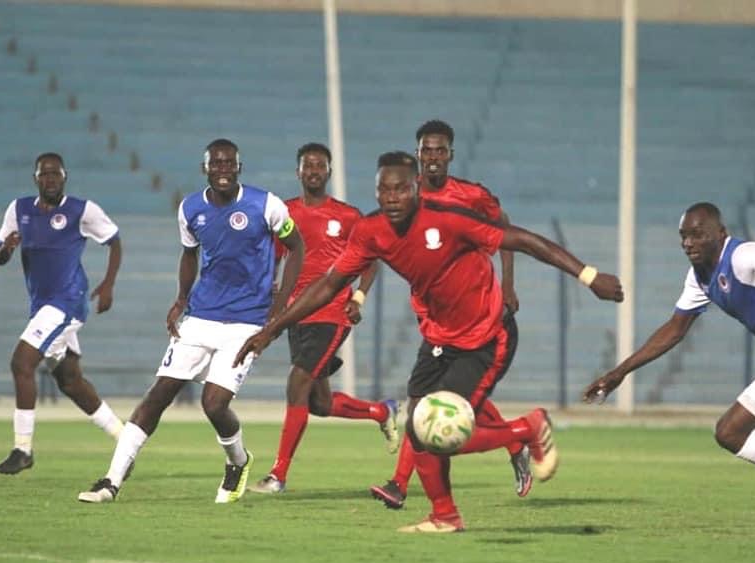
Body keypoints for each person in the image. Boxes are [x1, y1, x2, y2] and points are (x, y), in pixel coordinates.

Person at [236, 151, 624, 532]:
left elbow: (522, 239)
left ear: (416, 188)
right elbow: (328, 286)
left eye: (401, 189)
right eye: (384, 190)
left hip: (485, 335)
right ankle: (445, 516)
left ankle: (526, 429)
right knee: (419, 431)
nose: (392, 198)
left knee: (437, 433)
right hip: (437, 338)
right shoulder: (371, 231)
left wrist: (588, 276)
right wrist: (271, 330)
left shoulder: (450, 220)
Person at [77, 138, 305, 505]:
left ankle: (238, 461)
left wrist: (277, 309)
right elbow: (189, 255)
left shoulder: (266, 205)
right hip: (200, 316)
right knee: (158, 394)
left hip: (246, 321)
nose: (223, 169)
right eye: (216, 164)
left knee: (214, 404)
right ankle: (111, 481)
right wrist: (181, 299)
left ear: (239, 167)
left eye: (229, 163)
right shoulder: (190, 209)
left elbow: (297, 248)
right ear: (206, 169)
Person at [583, 202, 755, 532]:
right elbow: (674, 329)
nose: (688, 242)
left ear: (720, 234)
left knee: (730, 431)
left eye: (697, 235)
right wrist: (618, 373)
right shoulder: (700, 277)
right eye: (683, 236)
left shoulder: (745, 256)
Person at [372, 119, 530, 509]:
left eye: (440, 150)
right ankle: (514, 439)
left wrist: (507, 283)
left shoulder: (471, 196)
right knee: (429, 398)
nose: (433, 157)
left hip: (475, 317)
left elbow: (504, 229)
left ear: (451, 154)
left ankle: (399, 485)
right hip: (435, 320)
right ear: (417, 153)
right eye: (427, 150)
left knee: (433, 403)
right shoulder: (406, 197)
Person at [249, 142, 398, 495]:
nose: (314, 171)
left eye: (320, 165)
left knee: (297, 384)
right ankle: (382, 411)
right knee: (319, 402)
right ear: (298, 171)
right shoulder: (285, 213)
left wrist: (358, 296)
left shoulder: (348, 216)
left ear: (328, 172)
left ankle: (278, 476)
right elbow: (274, 259)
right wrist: (272, 304)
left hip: (331, 313)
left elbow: (371, 259)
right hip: (295, 315)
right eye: (308, 165)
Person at [0, 152, 125, 474]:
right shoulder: (18, 209)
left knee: (21, 362)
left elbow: (114, 241)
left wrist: (108, 284)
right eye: (44, 174)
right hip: (42, 306)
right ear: (35, 178)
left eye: (55, 174)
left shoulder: (82, 210)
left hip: (68, 302)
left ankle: (22, 450)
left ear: (65, 176)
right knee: (70, 381)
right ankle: (126, 440)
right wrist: (6, 249)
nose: (50, 179)